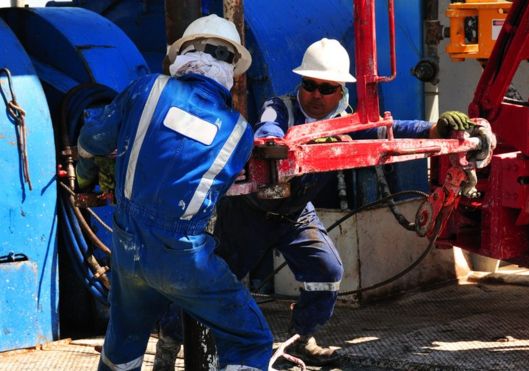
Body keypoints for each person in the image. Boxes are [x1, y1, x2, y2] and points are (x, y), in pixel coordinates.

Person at [157, 38, 476, 368]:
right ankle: (169, 340)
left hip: (295, 213)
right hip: (250, 214)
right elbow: (267, 132)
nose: (316, 95)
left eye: (327, 88)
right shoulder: (279, 108)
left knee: (327, 271)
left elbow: (389, 131)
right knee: (210, 286)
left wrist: (437, 127)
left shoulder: (347, 123)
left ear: (341, 92)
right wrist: (294, 143)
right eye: (310, 85)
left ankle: (301, 339)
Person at [76, 14, 273, 371]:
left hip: (128, 246)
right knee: (249, 339)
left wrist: (87, 179)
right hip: (183, 257)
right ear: (231, 68)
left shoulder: (147, 89)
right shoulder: (239, 132)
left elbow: (92, 140)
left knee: (125, 339)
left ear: (183, 53)